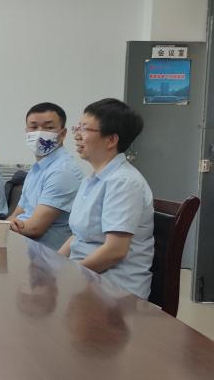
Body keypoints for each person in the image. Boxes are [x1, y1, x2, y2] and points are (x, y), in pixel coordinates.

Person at [59, 98, 154, 299]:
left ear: (111, 140)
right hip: (88, 277)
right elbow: (78, 236)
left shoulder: (123, 182)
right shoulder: (93, 179)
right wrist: (53, 265)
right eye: (78, 127)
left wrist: (68, 274)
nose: (77, 135)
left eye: (85, 129)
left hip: (114, 287)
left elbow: (115, 251)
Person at [7, 102, 85, 250]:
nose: (39, 133)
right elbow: (17, 213)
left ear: (62, 134)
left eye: (48, 128)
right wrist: (6, 225)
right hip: (25, 248)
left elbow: (34, 228)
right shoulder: (37, 169)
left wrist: (3, 226)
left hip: (50, 256)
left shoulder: (63, 171)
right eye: (33, 127)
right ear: (26, 131)